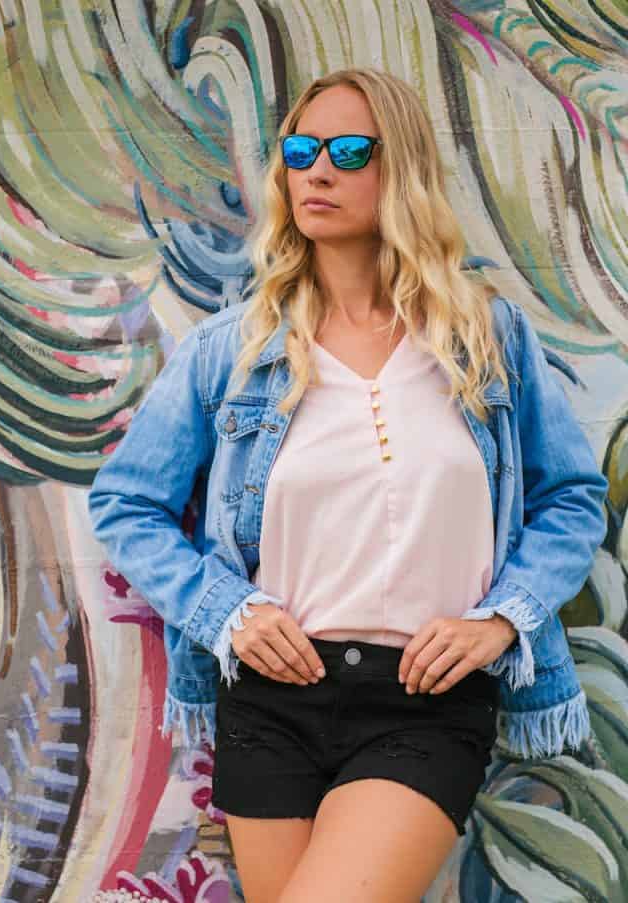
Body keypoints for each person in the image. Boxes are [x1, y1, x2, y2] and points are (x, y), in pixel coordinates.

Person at [87, 67, 608, 902]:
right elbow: (126, 502)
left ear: (400, 168)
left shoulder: (484, 340)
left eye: (348, 151)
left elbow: (572, 499)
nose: (317, 171)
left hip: (424, 701)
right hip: (271, 700)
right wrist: (228, 611)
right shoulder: (234, 351)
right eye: (300, 151)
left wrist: (501, 621)